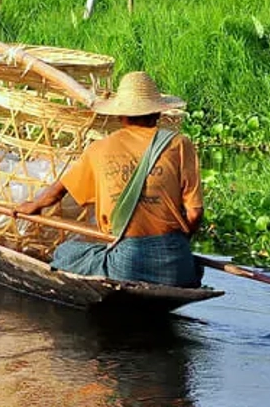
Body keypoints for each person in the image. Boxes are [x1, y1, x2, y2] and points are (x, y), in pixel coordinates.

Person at [13, 70, 204, 287]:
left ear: (120, 115)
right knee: (195, 266)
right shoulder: (180, 144)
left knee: (65, 252)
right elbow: (195, 213)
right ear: (158, 113)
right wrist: (176, 245)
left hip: (126, 264)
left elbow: (58, 191)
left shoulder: (99, 149)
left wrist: (34, 205)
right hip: (179, 268)